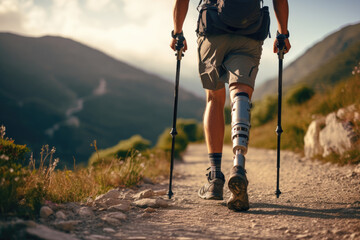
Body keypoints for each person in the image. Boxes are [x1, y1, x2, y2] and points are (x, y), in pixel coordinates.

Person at [170, 0, 291, 211]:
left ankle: (215, 178)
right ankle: (238, 165)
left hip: (213, 28)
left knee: (215, 99)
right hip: (250, 31)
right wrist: (283, 34)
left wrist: (177, 33)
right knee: (240, 94)